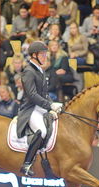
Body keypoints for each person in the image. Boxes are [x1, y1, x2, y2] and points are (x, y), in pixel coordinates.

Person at [17, 41, 63, 176]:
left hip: (40, 107)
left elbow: (45, 94)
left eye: (45, 54)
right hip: (30, 109)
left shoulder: (40, 70)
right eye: (42, 54)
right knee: (41, 131)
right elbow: (32, 95)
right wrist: (49, 105)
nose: (45, 57)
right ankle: (26, 164)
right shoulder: (28, 72)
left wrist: (52, 106)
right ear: (34, 55)